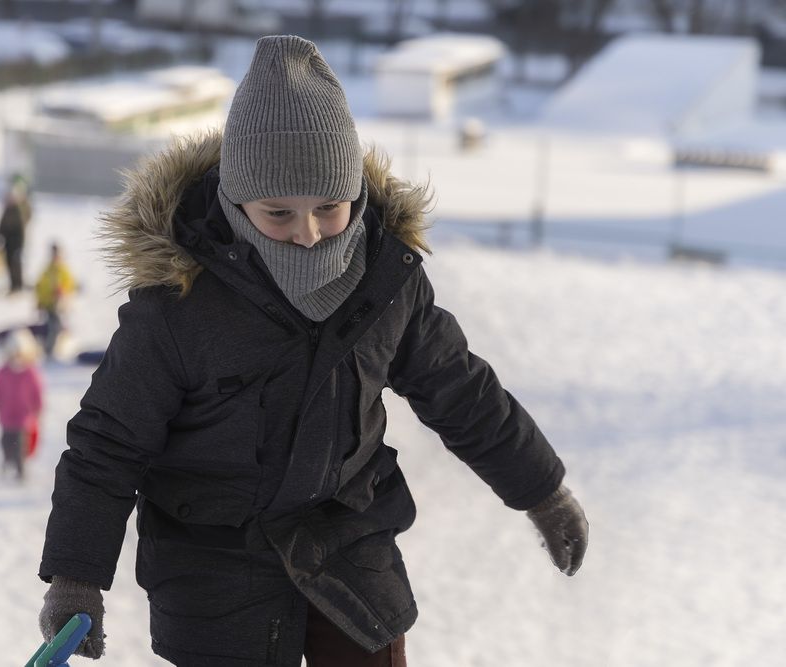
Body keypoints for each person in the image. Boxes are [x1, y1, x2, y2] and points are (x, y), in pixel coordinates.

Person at [37, 35, 588, 666]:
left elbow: (459, 389)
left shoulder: (387, 281)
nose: (308, 233)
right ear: (235, 200)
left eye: (329, 206)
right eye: (279, 213)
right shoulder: (178, 304)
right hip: (217, 565)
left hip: (348, 546)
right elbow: (108, 445)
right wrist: (76, 575)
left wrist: (540, 488)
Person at [0, 328, 43, 481]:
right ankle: (7, 461)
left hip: (23, 418)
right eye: (13, 354)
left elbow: (37, 392)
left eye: (20, 355)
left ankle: (20, 471)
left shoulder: (31, 373)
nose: (17, 359)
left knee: (19, 445)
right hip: (5, 416)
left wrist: (38, 408)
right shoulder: (2, 372)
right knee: (5, 442)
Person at [34, 242, 78, 359]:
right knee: (52, 327)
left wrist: (63, 291)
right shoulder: (47, 270)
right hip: (49, 305)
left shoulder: (63, 270)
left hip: (59, 305)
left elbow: (70, 284)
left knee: (56, 327)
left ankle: (53, 349)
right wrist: (40, 301)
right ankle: (49, 350)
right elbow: (40, 287)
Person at [0, 173, 32, 293]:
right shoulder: (8, 209)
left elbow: (22, 227)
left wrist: (20, 244)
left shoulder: (19, 209)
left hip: (16, 241)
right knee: (9, 262)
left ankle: (18, 285)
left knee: (16, 263)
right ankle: (13, 285)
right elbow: (2, 224)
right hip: (7, 241)